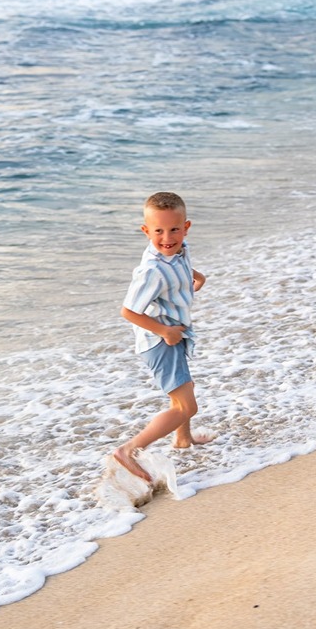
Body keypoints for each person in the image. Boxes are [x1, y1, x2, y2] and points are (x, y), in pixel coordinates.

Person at [114, 190, 212, 483]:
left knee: (186, 386)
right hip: (159, 341)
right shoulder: (152, 270)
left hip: (175, 333)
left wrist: (197, 276)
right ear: (146, 231)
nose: (167, 237)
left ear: (186, 227)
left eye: (174, 230)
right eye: (158, 231)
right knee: (186, 405)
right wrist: (164, 331)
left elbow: (180, 262)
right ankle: (129, 450)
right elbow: (128, 312)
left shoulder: (179, 250)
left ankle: (183, 440)